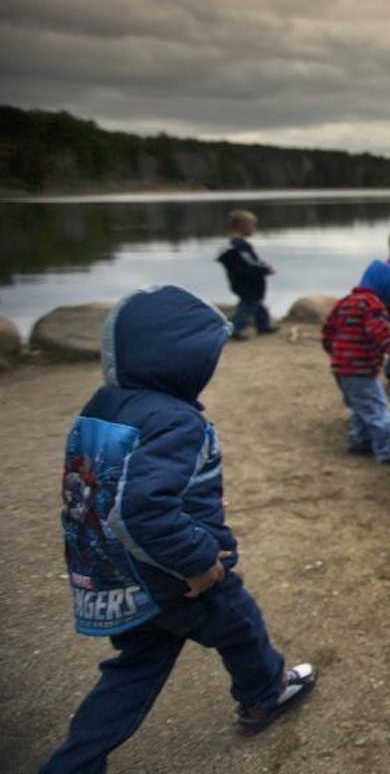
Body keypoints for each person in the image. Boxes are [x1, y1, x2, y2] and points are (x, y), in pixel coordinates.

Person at [41, 285, 316, 773]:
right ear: (176, 361)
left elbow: (107, 485)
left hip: (117, 570)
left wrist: (191, 494)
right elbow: (141, 511)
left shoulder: (103, 404)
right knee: (240, 625)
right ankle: (264, 692)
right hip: (177, 575)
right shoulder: (176, 420)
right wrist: (199, 565)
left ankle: (74, 763)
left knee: (135, 668)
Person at [321, 261, 390, 464]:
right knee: (377, 410)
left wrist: (335, 353)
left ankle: (360, 440)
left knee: (360, 406)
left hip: (341, 368)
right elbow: (379, 331)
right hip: (360, 368)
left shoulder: (345, 302)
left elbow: (328, 332)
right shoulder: (371, 305)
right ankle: (389, 451)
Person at [217, 209, 276, 339]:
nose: (254, 229)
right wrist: (266, 269)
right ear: (241, 227)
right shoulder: (240, 246)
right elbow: (250, 263)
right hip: (247, 282)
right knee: (247, 306)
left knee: (257, 303)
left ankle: (263, 325)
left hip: (240, 281)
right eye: (252, 225)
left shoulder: (230, 246)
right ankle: (234, 329)